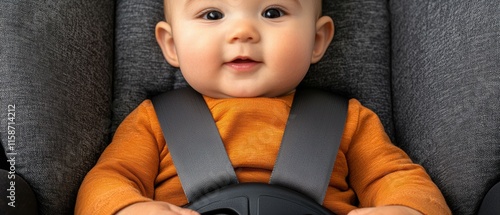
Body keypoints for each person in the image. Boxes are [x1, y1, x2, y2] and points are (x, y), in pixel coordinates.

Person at [75, 0, 451, 214]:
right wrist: (127, 209)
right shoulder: (153, 121)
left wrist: (406, 209)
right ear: (171, 45)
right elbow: (107, 183)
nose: (243, 32)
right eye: (212, 14)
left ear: (317, 39)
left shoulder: (348, 120)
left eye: (272, 12)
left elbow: (397, 179)